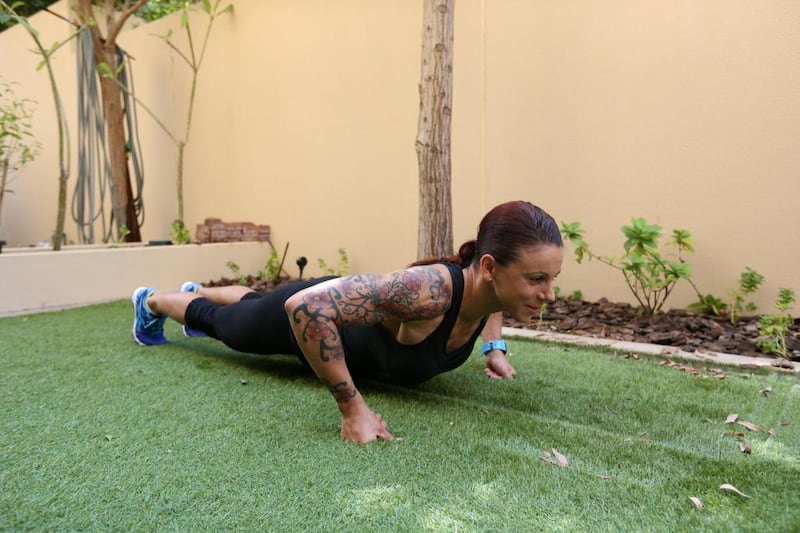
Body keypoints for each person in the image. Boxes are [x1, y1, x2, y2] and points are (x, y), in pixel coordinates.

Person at [131, 200, 563, 444]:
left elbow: (492, 301)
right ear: (489, 266)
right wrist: (353, 409)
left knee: (251, 303)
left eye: (551, 279)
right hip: (313, 314)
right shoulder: (428, 291)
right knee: (228, 328)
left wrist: (494, 349)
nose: (548, 294)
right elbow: (305, 309)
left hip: (326, 305)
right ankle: (153, 301)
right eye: (537, 279)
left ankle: (197, 290)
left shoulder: (489, 287)